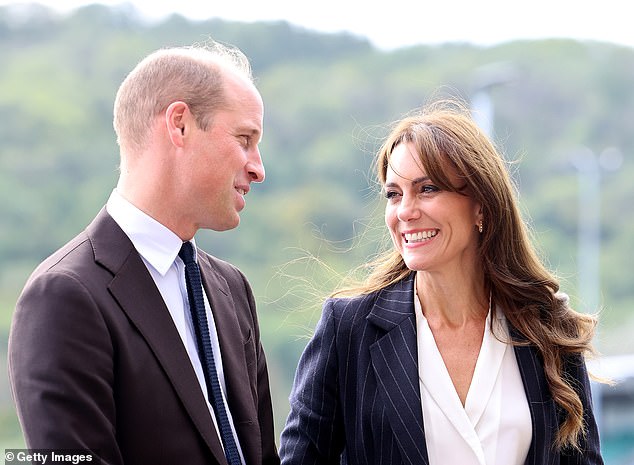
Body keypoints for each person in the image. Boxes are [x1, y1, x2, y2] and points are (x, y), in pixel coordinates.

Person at [279, 99, 604, 465]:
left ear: (481, 204)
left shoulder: (547, 328)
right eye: (394, 194)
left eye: (428, 189)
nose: (405, 211)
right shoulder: (348, 328)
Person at [9, 42, 280, 465]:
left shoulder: (232, 289)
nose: (258, 167)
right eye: (245, 139)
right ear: (180, 125)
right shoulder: (64, 296)